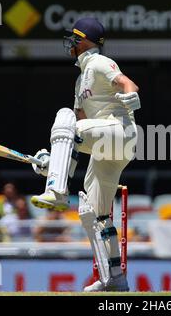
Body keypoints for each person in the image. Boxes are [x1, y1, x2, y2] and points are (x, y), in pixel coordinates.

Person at [30, 17, 139, 292]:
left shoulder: (99, 62)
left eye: (74, 39)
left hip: (120, 132)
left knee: (64, 117)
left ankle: (56, 190)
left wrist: (132, 96)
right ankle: (113, 279)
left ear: (85, 41)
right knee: (94, 213)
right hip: (104, 147)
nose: (71, 43)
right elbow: (73, 137)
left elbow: (128, 83)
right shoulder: (80, 81)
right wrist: (53, 160)